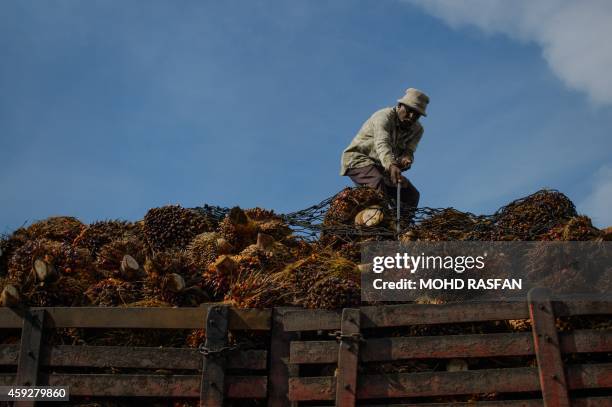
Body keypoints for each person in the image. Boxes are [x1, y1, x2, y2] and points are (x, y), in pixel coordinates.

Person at [340, 88, 429, 209]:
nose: (412, 116)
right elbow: (382, 143)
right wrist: (391, 165)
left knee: (411, 194)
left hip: (383, 168)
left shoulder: (417, 130)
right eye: (409, 111)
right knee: (376, 184)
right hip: (358, 160)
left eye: (417, 115)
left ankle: (401, 226)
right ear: (399, 106)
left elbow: (409, 151)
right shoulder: (383, 116)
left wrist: (407, 159)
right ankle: (381, 222)